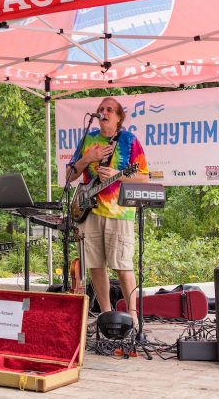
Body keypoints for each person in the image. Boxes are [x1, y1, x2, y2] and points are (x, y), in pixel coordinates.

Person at [67, 97, 149, 324]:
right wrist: (87, 158)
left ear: (119, 116)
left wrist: (117, 174)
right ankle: (106, 315)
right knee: (94, 264)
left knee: (122, 265)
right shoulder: (88, 140)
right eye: (101, 109)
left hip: (118, 212)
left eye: (109, 109)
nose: (104, 112)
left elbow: (144, 176)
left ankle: (132, 317)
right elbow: (70, 175)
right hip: (89, 212)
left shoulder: (129, 140)